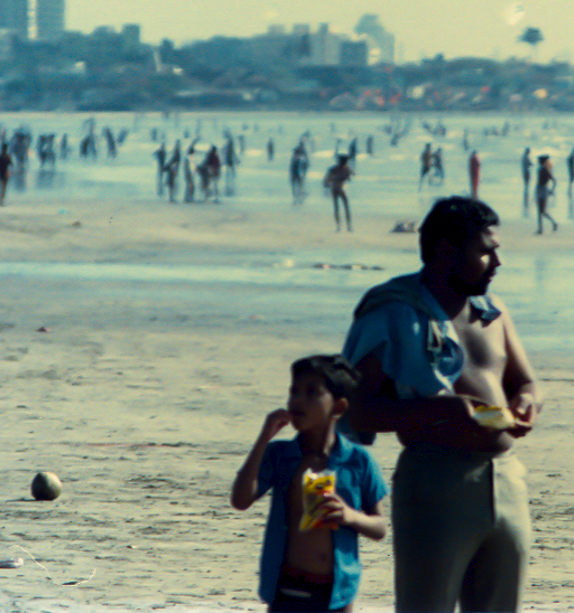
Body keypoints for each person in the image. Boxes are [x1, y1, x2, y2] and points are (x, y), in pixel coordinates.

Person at [342, 196, 540, 613]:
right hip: (435, 480)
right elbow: (355, 409)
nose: (497, 263)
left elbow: (526, 380)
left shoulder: (494, 312)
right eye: (486, 251)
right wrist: (435, 411)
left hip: (507, 479)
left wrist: (527, 400)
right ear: (446, 249)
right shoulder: (394, 312)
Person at [230, 355, 388, 613]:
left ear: (338, 408)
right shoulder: (280, 455)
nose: (297, 400)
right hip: (286, 588)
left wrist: (348, 515)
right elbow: (240, 500)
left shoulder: (357, 460)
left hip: (336, 594)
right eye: (294, 391)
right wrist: (264, 437)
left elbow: (380, 527)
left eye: (311, 392)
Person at [324, 155, 353, 233]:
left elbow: (327, 180)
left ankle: (340, 226)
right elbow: (349, 178)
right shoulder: (345, 169)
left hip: (335, 188)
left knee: (337, 208)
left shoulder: (335, 169)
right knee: (345, 207)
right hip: (340, 188)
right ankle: (347, 226)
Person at [534, 154, 558, 234]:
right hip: (542, 189)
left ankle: (542, 228)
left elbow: (554, 181)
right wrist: (551, 190)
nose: (538, 161)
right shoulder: (543, 168)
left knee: (541, 211)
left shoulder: (544, 169)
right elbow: (554, 181)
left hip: (542, 189)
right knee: (541, 211)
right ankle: (543, 227)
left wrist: (551, 190)